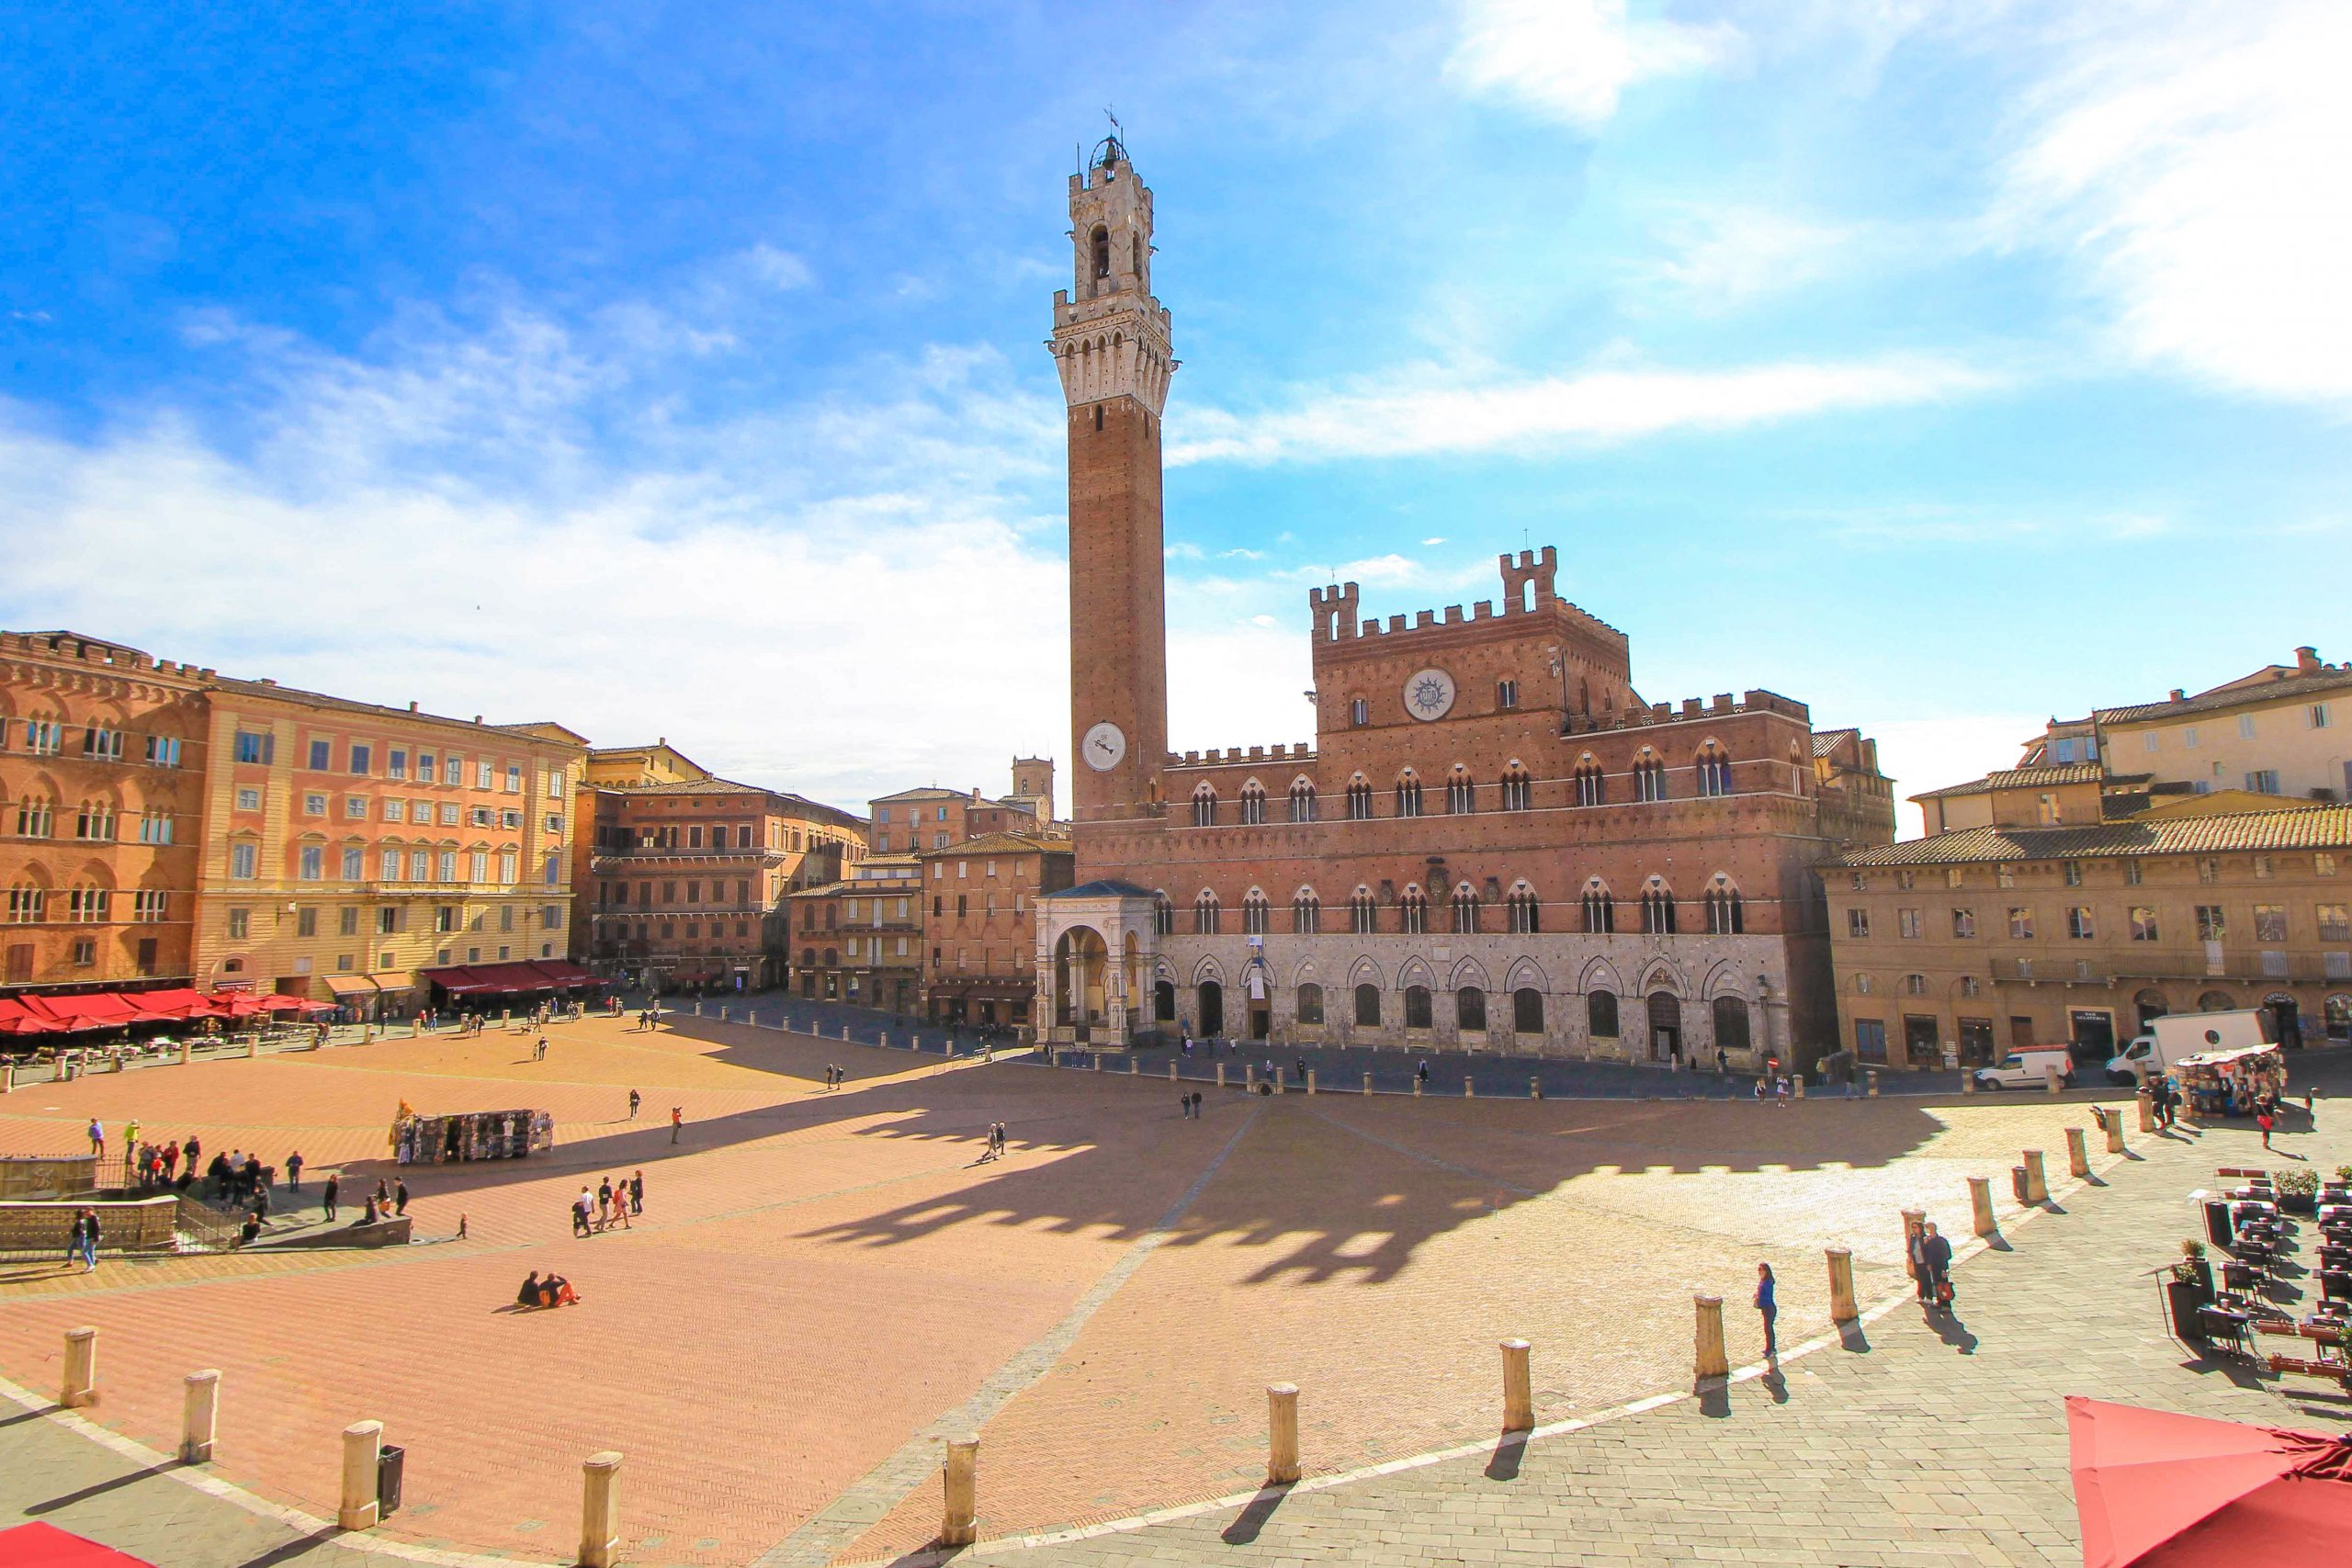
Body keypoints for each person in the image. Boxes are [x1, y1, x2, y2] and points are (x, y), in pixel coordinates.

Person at [1918, 1222, 1954, 1310]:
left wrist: (1945, 1269)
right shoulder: (1928, 1240)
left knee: (1944, 1285)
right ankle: (1940, 1302)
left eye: (1928, 1227)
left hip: (1941, 1266)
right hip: (1933, 1267)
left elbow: (1947, 1255)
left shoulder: (1941, 1241)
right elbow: (1926, 1254)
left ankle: (1946, 1305)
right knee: (1937, 1284)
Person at [1755, 1262, 1778, 1360]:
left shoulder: (1767, 1283)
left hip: (1769, 1308)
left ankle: (1770, 1350)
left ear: (1766, 1271)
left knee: (1768, 1329)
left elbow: (1766, 1297)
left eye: (1761, 1270)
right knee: (1767, 1329)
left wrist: (1758, 1299)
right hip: (1766, 1308)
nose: (1759, 1272)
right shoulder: (1763, 1281)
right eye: (1758, 1270)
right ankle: (1770, 1348)